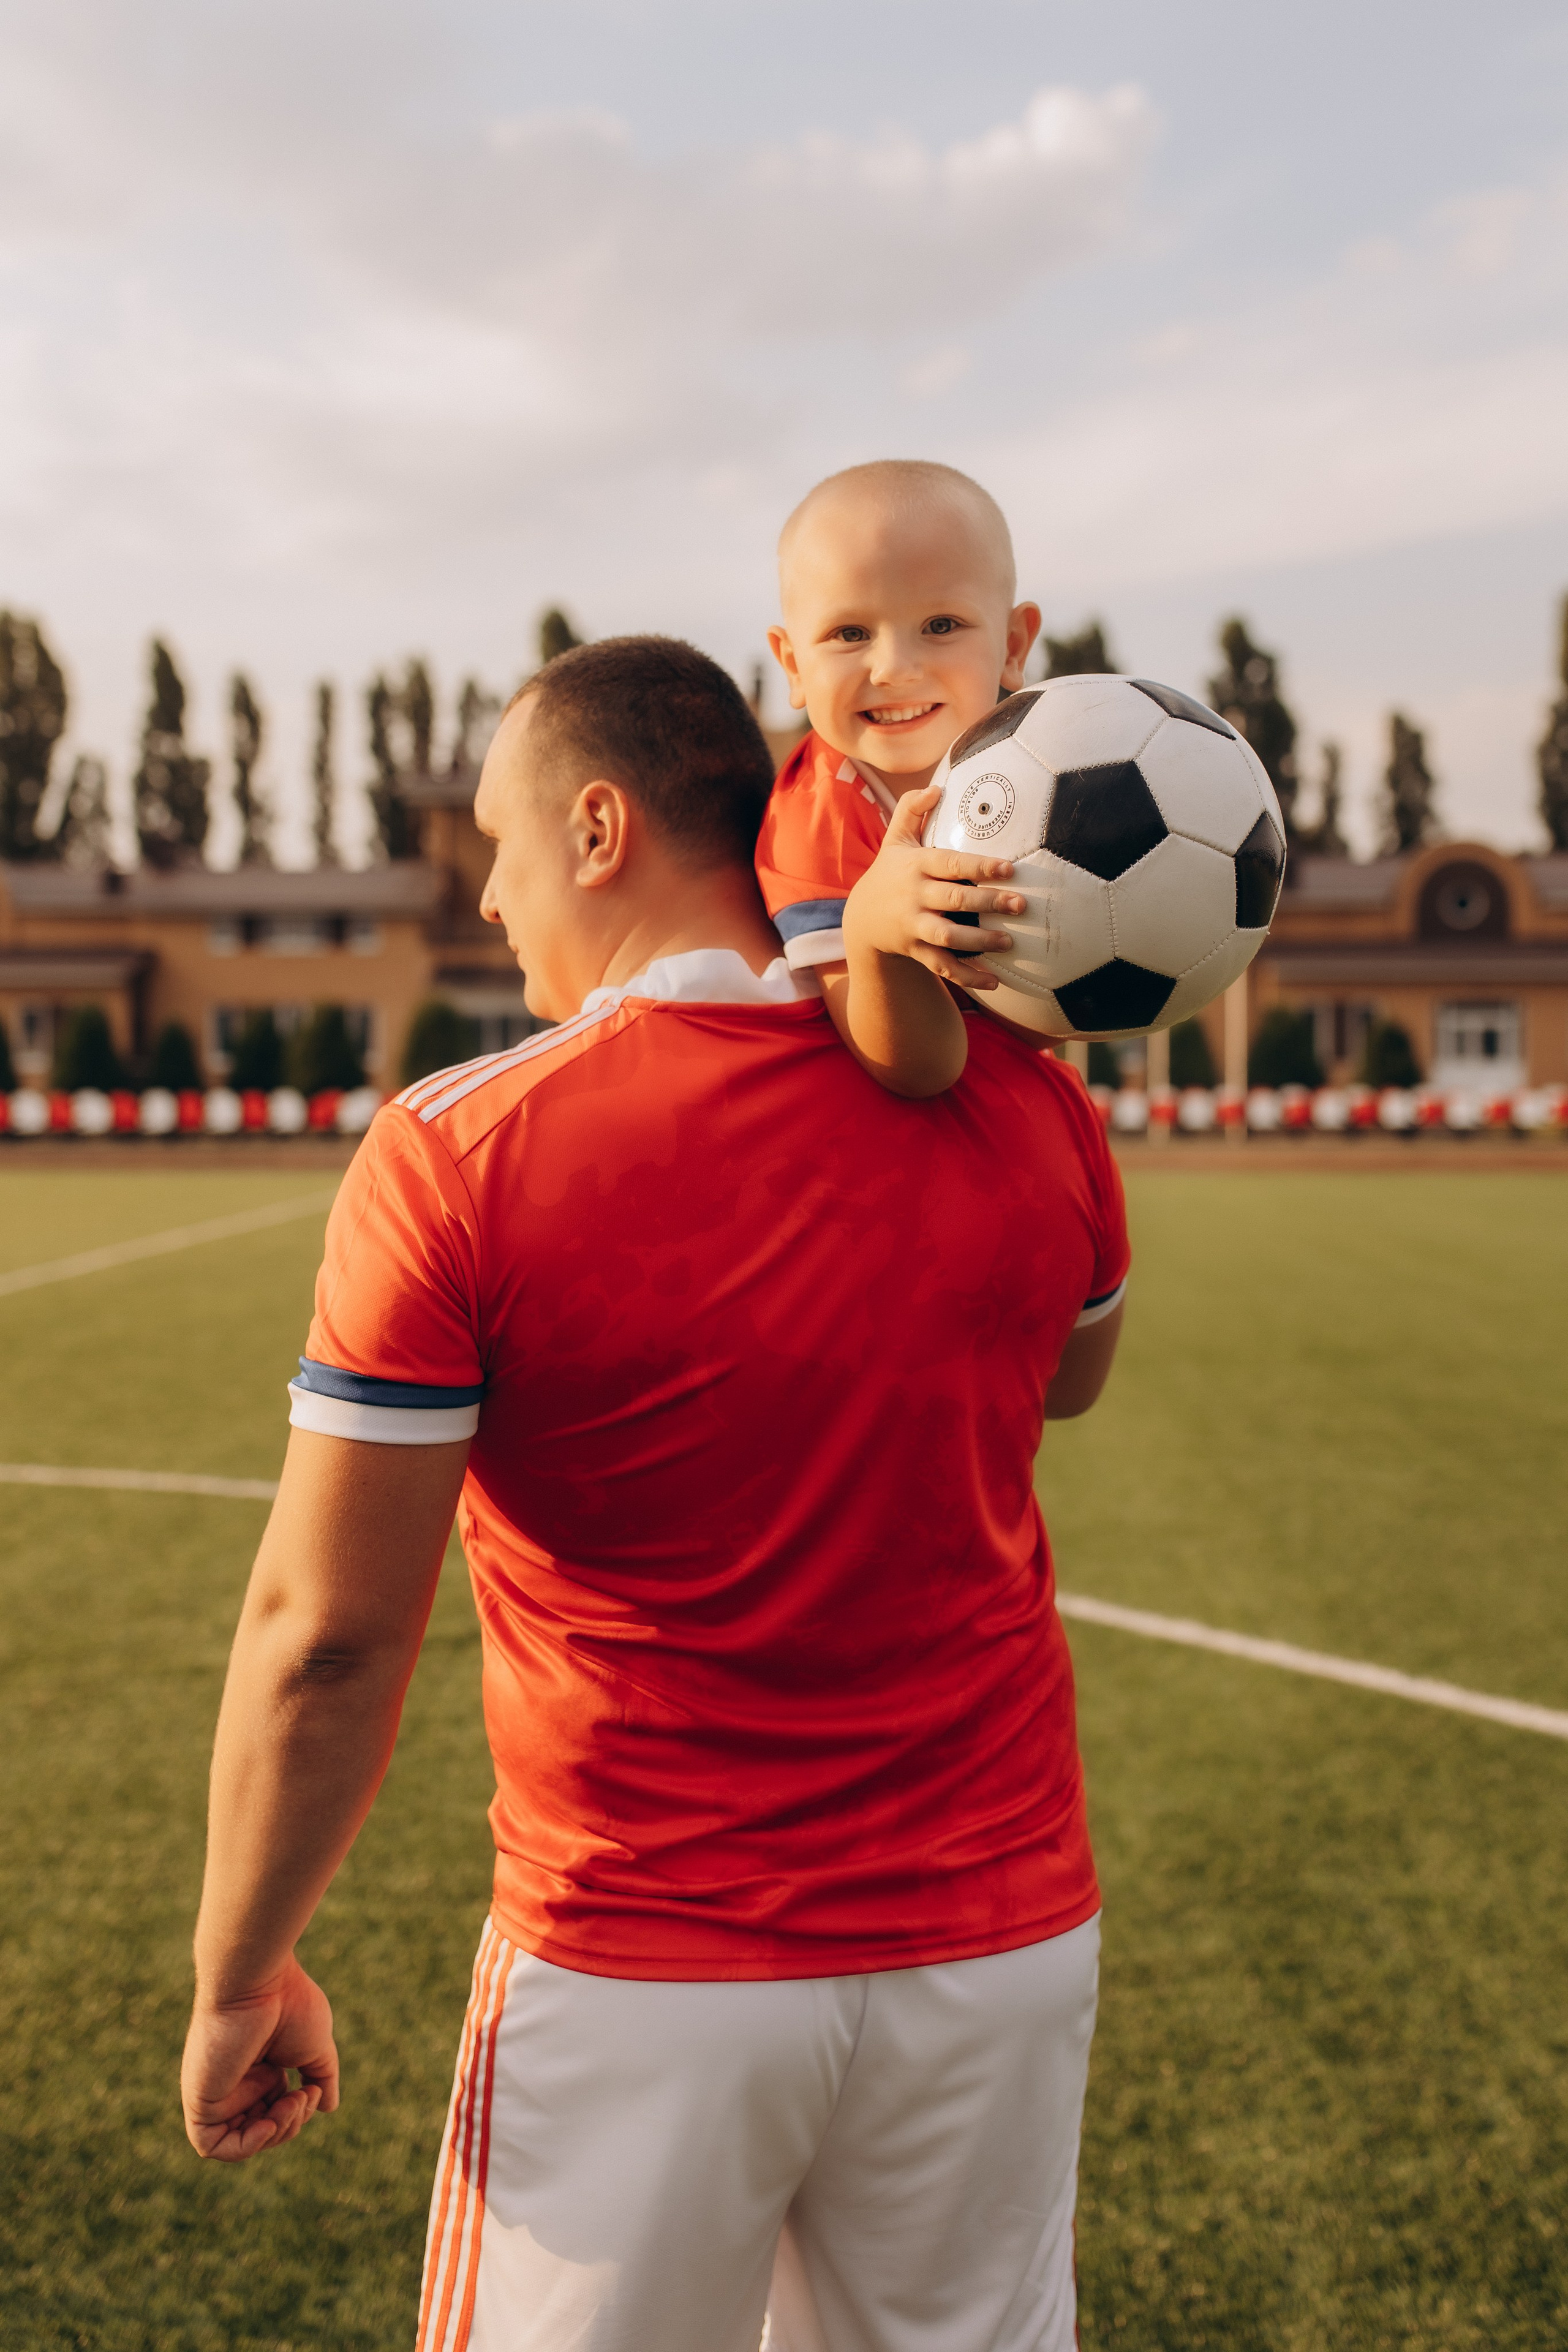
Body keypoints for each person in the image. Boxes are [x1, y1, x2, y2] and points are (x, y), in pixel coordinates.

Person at [179, 635, 1129, 2352]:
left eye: (498, 845)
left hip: (646, 1957)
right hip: (1002, 1949)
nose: (485, 902)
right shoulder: (1033, 1108)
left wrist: (244, 1971)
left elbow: (327, 1639)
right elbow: (1069, 1381)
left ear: (600, 829)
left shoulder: (460, 1152)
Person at [760, 457, 1043, 1098]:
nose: (893, 667)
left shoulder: (1047, 770)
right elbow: (917, 1069)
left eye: (941, 625)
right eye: (849, 632)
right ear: (793, 664)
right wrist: (870, 935)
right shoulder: (815, 821)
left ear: (1012, 646)